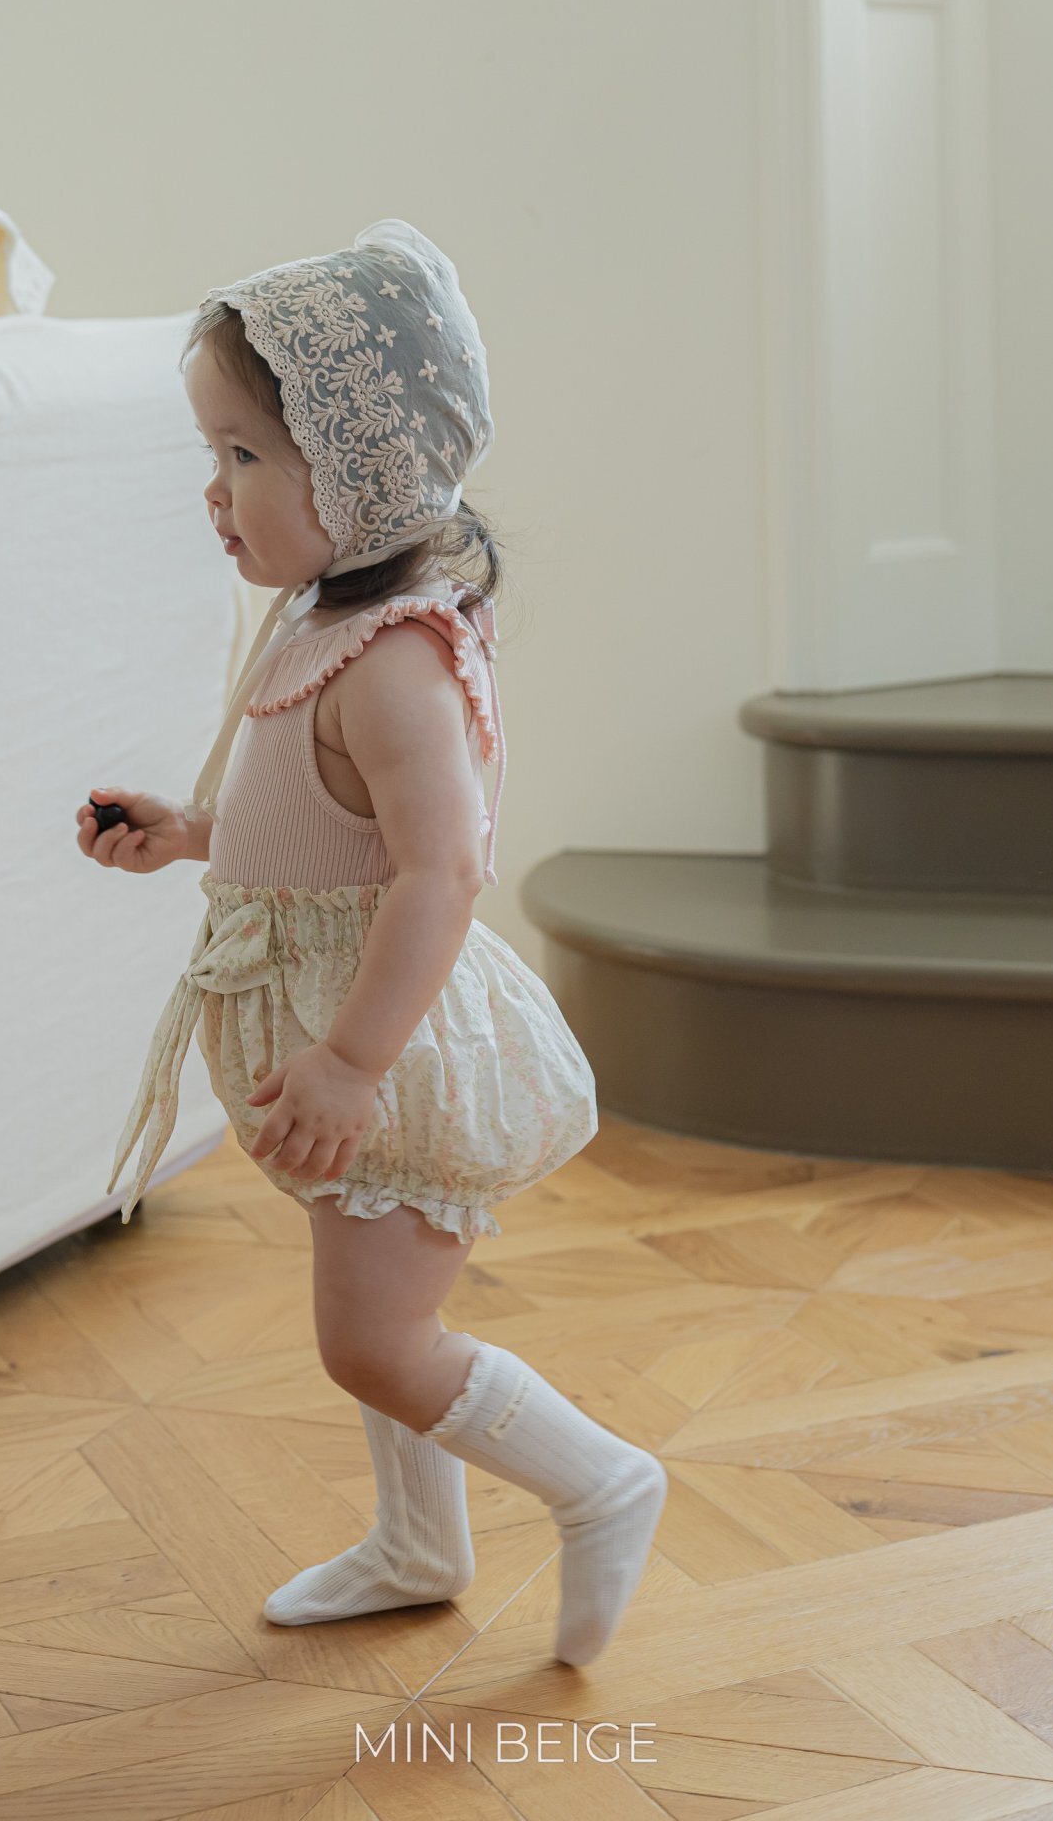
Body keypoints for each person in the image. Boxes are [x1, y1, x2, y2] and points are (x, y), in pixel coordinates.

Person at [75, 218, 667, 1667]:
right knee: (369, 1307)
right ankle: (417, 1544)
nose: (214, 490)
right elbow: (316, 826)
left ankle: (600, 1481)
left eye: (243, 455)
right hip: (339, 1030)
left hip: (391, 1046)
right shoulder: (317, 618)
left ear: (359, 471)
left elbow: (440, 870)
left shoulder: (397, 658)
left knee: (375, 1340)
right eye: (214, 452)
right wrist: (190, 831)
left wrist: (350, 1063)